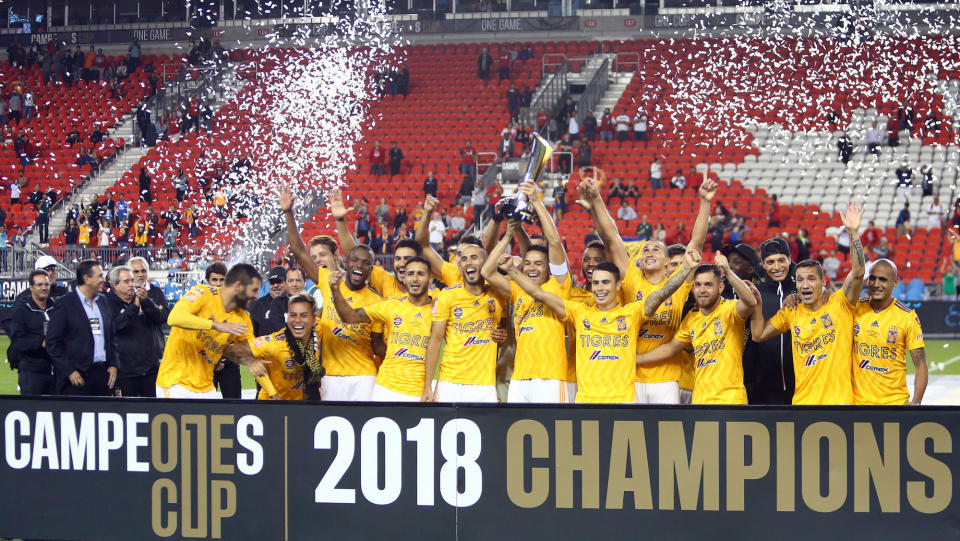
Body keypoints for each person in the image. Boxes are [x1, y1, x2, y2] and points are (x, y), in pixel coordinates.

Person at [577, 172, 716, 404]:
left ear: (666, 261)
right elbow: (611, 237)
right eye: (646, 250)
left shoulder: (679, 285)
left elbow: (697, 243)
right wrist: (597, 198)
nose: (649, 252)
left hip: (666, 378)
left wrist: (705, 201)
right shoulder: (631, 276)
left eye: (656, 250)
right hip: (631, 374)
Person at [509, 244, 698, 403]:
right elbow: (539, 294)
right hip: (587, 401)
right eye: (596, 283)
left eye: (605, 282)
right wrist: (511, 271)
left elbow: (661, 294)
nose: (600, 288)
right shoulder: (579, 312)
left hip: (622, 401)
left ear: (617, 286)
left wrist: (686, 270)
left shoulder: (631, 313)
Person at [751, 202, 865, 405]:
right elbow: (758, 335)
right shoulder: (791, 311)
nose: (805, 284)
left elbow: (857, 273)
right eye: (800, 279)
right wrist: (757, 303)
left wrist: (853, 233)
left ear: (823, 282)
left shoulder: (840, 303)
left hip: (839, 403)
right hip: (802, 403)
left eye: (811, 279)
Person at [282, 188, 384, 401]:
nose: (359, 266)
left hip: (364, 377)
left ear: (371, 269)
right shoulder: (327, 281)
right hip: (331, 375)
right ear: (346, 262)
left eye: (366, 263)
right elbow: (299, 251)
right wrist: (288, 213)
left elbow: (377, 345)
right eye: (355, 260)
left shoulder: (377, 300)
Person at [481, 182, 571, 403]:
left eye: (538, 264)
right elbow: (487, 271)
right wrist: (509, 233)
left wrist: (537, 202)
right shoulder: (517, 290)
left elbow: (554, 242)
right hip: (519, 378)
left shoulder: (559, 285)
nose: (532, 268)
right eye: (528, 263)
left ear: (549, 268)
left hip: (550, 379)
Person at [636, 255, 758, 403]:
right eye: (698, 285)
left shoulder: (731, 309)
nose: (702, 290)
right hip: (700, 401)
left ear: (720, 287)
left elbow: (751, 302)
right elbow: (671, 348)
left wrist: (727, 270)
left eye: (708, 285)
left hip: (731, 399)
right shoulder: (691, 318)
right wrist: (634, 359)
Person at [329, 256, 433, 402]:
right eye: (410, 274)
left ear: (430, 278)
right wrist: (335, 290)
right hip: (386, 389)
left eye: (420, 274)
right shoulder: (391, 306)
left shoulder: (439, 310)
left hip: (421, 391)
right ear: (404, 278)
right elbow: (350, 317)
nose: (414, 279)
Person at [155, 263, 266, 399]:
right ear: (238, 286)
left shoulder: (243, 318)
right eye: (254, 290)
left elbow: (248, 349)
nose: (257, 296)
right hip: (175, 384)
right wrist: (215, 325)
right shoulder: (202, 293)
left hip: (207, 388)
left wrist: (250, 361)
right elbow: (174, 318)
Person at [423, 238, 505, 403]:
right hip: (450, 382)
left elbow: (503, 333)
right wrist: (427, 387)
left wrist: (504, 337)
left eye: (474, 257)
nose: (468, 262)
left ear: (485, 262)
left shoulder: (498, 295)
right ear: (459, 266)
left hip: (484, 384)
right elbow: (435, 340)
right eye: (464, 259)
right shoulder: (447, 296)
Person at [853, 259, 927, 405]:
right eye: (872, 278)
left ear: (895, 282)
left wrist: (916, 403)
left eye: (883, 279)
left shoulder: (907, 316)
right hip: (858, 405)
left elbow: (921, 364)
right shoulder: (855, 308)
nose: (876, 284)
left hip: (895, 405)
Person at [225, 293, 324, 401]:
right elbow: (230, 350)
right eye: (293, 315)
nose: (298, 320)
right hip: (274, 403)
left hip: (304, 401)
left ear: (312, 319)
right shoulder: (275, 343)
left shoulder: (317, 329)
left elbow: (324, 311)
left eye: (304, 315)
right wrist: (250, 362)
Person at [45, 260, 118, 396]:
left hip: (103, 375)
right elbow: (52, 343)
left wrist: (114, 364)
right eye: (100, 276)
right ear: (87, 278)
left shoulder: (103, 301)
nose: (104, 280)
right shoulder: (65, 304)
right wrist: (69, 371)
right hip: (77, 378)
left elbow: (112, 336)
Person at [106, 264, 166, 397]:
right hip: (125, 372)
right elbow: (116, 326)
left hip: (149, 370)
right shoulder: (108, 303)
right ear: (115, 285)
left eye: (132, 280)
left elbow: (160, 318)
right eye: (126, 281)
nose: (131, 284)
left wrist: (147, 302)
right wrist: (134, 307)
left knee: (152, 411)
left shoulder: (142, 300)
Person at [8, 270, 57, 395]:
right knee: (33, 410)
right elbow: (18, 341)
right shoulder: (22, 309)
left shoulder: (56, 307)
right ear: (31, 287)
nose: (44, 288)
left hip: (57, 371)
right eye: (39, 285)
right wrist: (41, 342)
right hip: (32, 372)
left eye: (46, 284)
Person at [249, 266, 290, 337]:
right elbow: (251, 335)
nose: (275, 285)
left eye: (279, 281)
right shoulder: (257, 305)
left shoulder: (294, 304)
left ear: (287, 282)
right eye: (272, 282)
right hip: (264, 347)